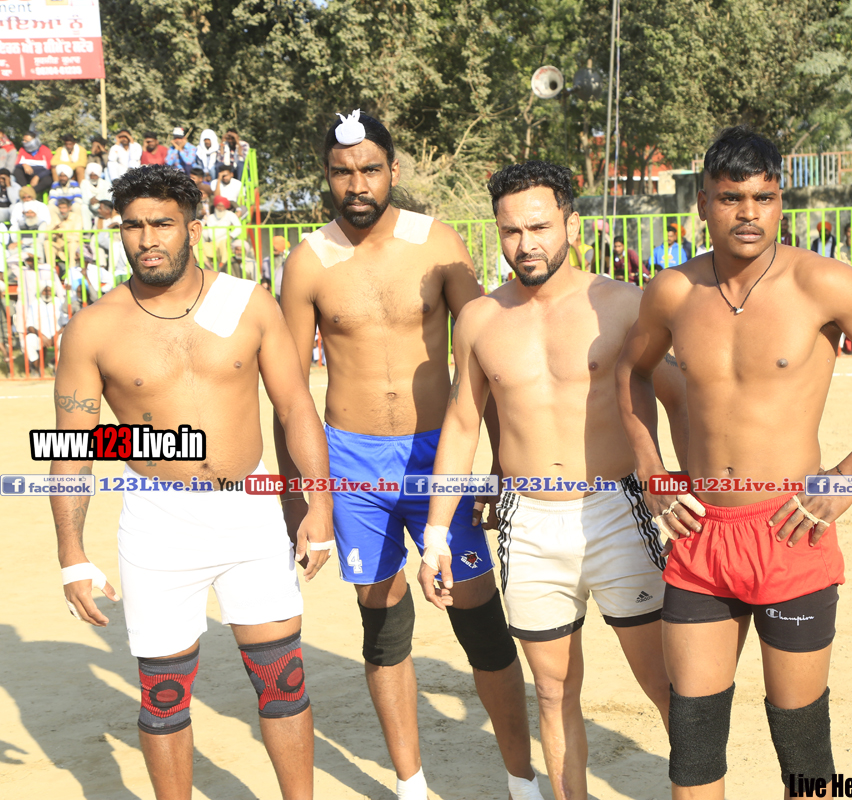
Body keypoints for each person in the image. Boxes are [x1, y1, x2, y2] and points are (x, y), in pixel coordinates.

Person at [615, 125, 852, 800]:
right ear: (702, 202)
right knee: (693, 744)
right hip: (700, 534)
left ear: (780, 202)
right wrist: (651, 471)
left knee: (802, 747)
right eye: (731, 198)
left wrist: (850, 475)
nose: (748, 213)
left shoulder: (821, 283)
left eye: (763, 198)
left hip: (790, 530)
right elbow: (631, 372)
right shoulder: (673, 291)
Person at [275, 110, 542, 800]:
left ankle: (521, 781)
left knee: (479, 620)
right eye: (342, 172)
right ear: (327, 177)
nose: (357, 184)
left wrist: (502, 466)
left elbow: (488, 360)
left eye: (370, 169)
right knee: (384, 625)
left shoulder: (437, 243)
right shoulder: (307, 260)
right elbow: (289, 394)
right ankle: (411, 785)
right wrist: (301, 502)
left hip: (438, 456)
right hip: (350, 462)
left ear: (393, 171)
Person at [49, 163, 334, 800]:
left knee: (283, 680)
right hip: (159, 520)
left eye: (162, 224)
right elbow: (72, 448)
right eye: (133, 226)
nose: (147, 239)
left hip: (252, 509)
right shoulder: (94, 327)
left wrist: (317, 507)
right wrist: (72, 553)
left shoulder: (249, 302)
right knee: (164, 695)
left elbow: (295, 407)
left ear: (194, 230)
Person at [418, 160, 687, 800]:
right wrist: (434, 536)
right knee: (552, 689)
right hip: (527, 522)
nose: (526, 244)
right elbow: (462, 424)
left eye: (539, 227)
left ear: (571, 223)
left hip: (618, 513)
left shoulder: (622, 305)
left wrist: (690, 483)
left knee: (665, 683)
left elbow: (682, 397)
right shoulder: (479, 319)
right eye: (511, 231)